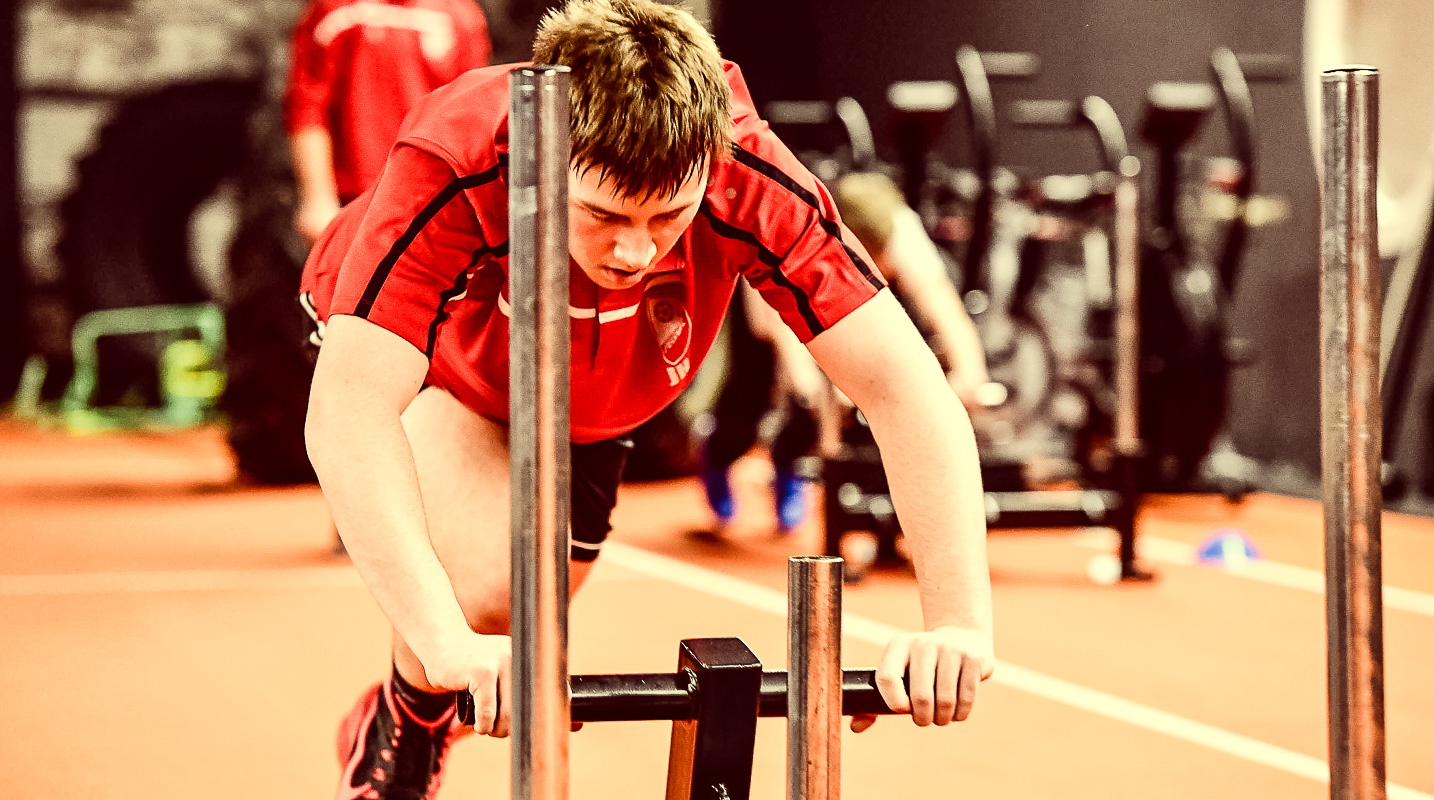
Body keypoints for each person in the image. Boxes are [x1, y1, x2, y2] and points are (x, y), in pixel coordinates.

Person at [300, 1, 994, 797]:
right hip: (447, 357)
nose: (633, 250)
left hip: (607, 389)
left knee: (525, 603)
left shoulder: (748, 171)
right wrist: (443, 642)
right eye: (602, 214)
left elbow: (903, 386)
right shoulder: (456, 157)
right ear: (547, 155)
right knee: (486, 599)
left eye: (668, 216)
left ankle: (413, 692)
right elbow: (349, 415)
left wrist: (957, 623)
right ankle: (410, 724)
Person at [699, 170, 991, 532]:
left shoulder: (902, 234)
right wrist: (820, 396)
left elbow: (948, 313)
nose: (884, 267)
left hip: (850, 290)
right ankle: (722, 451)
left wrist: (971, 375)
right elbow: (786, 342)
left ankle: (798, 464)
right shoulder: (794, 237)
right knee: (756, 387)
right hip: (777, 302)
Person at [284, 0, 493, 244]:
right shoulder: (334, 8)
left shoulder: (461, 14)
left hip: (431, 202)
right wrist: (317, 197)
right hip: (351, 200)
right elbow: (307, 104)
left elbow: (470, 115)